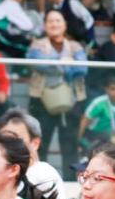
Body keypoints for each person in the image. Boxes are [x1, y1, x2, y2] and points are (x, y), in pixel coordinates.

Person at [27, 9, 88, 179]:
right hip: (41, 101)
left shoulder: (75, 46)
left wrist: (55, 65)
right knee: (40, 143)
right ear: (45, 25)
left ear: (65, 25)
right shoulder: (37, 45)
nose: (54, 24)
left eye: (58, 20)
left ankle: (70, 181)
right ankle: (38, 180)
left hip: (72, 101)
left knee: (70, 144)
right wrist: (64, 63)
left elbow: (82, 69)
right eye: (50, 21)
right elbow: (37, 63)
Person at [80, 75, 115, 152]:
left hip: (111, 135)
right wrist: (78, 140)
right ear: (106, 89)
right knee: (106, 139)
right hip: (94, 134)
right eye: (113, 89)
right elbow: (84, 121)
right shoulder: (98, 103)